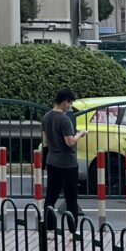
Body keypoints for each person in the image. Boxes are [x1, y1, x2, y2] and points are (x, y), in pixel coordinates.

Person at [41, 88, 87, 231]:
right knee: (71, 198)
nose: (70, 106)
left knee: (51, 196)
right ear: (64, 102)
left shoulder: (46, 117)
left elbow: (45, 142)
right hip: (67, 163)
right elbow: (70, 142)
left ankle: (49, 228)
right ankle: (73, 230)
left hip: (51, 161)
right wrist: (80, 134)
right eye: (70, 103)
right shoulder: (64, 119)